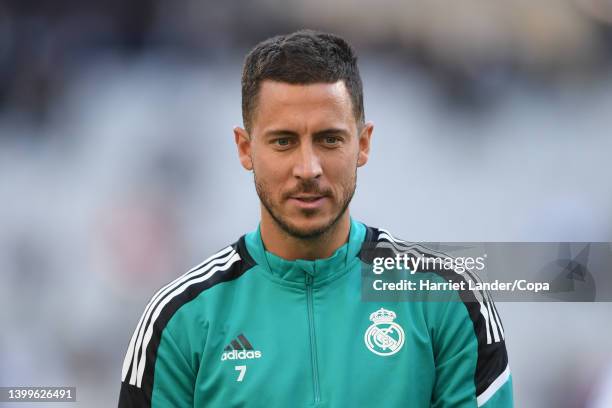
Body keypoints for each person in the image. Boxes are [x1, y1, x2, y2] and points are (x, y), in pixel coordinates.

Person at [118, 29, 513, 407]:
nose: (308, 168)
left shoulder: (448, 300)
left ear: (362, 144)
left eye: (329, 139)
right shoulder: (179, 320)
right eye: (283, 141)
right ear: (245, 149)